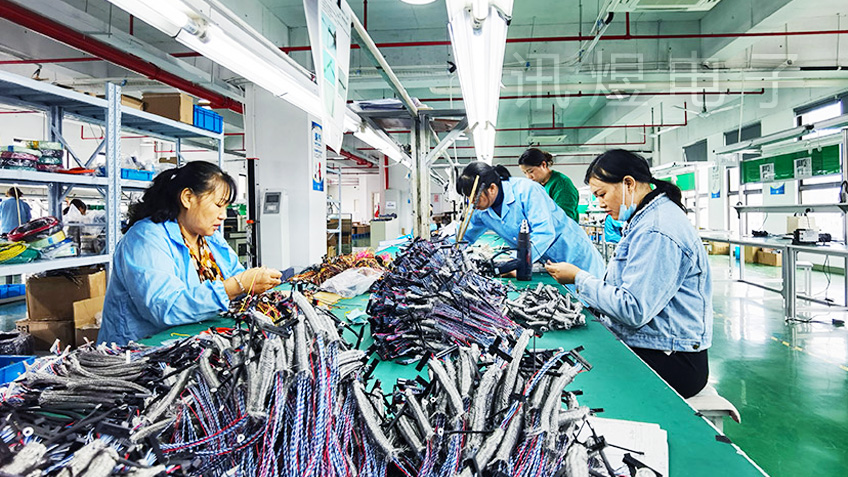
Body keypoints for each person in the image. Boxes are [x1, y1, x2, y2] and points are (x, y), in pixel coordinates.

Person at [545, 149, 712, 398]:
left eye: (602, 194)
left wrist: (578, 278)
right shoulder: (646, 219)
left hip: (674, 360)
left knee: (567, 370)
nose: (600, 204)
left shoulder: (656, 230)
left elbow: (633, 309)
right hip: (654, 343)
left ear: (628, 183)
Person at [99, 161, 282, 345]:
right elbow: (165, 309)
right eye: (218, 205)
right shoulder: (146, 238)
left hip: (196, 343)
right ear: (187, 198)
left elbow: (236, 275)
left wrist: (257, 284)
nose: (223, 215)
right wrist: (235, 287)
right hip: (141, 352)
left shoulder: (210, 239)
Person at [457, 162, 604, 278]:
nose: (472, 203)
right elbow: (462, 236)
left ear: (492, 188)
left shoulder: (527, 191)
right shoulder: (480, 210)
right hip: (546, 265)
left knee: (587, 299)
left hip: (573, 255)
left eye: (475, 197)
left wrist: (514, 262)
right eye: (468, 198)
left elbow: (544, 233)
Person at [518, 148, 580, 222]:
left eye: (531, 171)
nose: (529, 177)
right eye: (525, 173)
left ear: (543, 165)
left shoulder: (561, 184)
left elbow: (563, 219)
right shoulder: (539, 185)